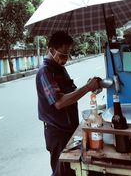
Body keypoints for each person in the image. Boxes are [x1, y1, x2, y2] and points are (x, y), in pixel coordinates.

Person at [36, 31, 101, 176]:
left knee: (71, 169)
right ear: (51, 50)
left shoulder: (60, 69)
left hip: (69, 127)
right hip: (57, 131)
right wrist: (87, 88)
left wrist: (89, 87)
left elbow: (71, 93)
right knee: (61, 170)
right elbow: (59, 102)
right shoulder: (45, 72)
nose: (65, 59)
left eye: (68, 54)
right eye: (63, 54)